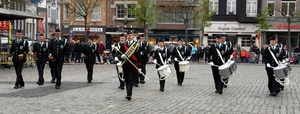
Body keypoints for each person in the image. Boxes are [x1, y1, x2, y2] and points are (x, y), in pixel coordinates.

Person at [118, 30, 140, 101]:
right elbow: (119, 53)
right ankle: (128, 92)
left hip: (132, 64)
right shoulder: (123, 44)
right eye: (127, 36)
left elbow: (138, 55)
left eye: (130, 35)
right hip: (125, 65)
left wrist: (138, 65)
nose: (129, 37)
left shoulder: (136, 45)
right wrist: (121, 57)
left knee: (130, 79)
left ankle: (129, 94)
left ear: (133, 36)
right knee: (126, 79)